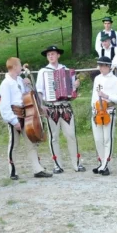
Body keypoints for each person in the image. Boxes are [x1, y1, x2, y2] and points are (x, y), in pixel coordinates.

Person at [0, 57, 51, 180]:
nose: (21, 67)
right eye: (19, 65)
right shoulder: (6, 84)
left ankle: (38, 169)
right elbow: (5, 105)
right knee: (14, 144)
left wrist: (28, 85)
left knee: (31, 142)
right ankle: (12, 171)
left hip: (26, 115)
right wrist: (13, 121)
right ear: (14, 67)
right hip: (15, 115)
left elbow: (28, 96)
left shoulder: (20, 80)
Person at [38, 45, 84, 173]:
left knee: (71, 135)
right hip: (51, 107)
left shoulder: (66, 70)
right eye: (48, 55)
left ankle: (76, 163)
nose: (51, 56)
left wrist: (75, 86)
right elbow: (40, 91)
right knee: (54, 137)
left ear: (58, 55)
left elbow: (72, 93)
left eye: (53, 54)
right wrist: (41, 106)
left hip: (65, 106)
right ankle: (57, 165)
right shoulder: (43, 72)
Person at [90, 55, 117, 176]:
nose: (100, 68)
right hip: (97, 111)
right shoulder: (97, 78)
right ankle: (101, 162)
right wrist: (93, 108)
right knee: (98, 139)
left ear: (108, 66)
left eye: (102, 66)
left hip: (109, 110)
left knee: (107, 138)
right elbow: (94, 96)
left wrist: (106, 96)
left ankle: (106, 164)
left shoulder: (115, 80)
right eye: (99, 66)